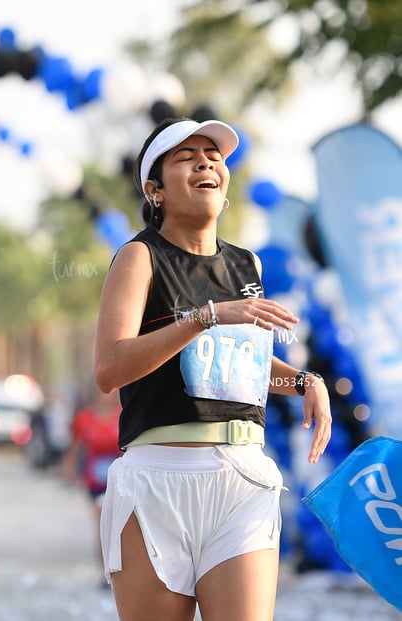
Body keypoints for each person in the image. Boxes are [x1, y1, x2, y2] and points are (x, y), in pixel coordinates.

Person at [94, 117, 332, 621]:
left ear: (224, 186)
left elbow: (243, 364)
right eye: (186, 156)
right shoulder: (140, 256)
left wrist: (306, 382)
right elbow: (110, 368)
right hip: (156, 482)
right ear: (154, 189)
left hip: (242, 477)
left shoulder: (247, 266)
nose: (205, 162)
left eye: (214, 156)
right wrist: (204, 318)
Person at [63, 386, 122, 578]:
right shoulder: (84, 418)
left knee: (118, 526)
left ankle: (121, 569)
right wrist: (70, 470)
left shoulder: (123, 415)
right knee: (102, 525)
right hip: (95, 481)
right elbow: (75, 446)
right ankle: (105, 571)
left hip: (121, 481)